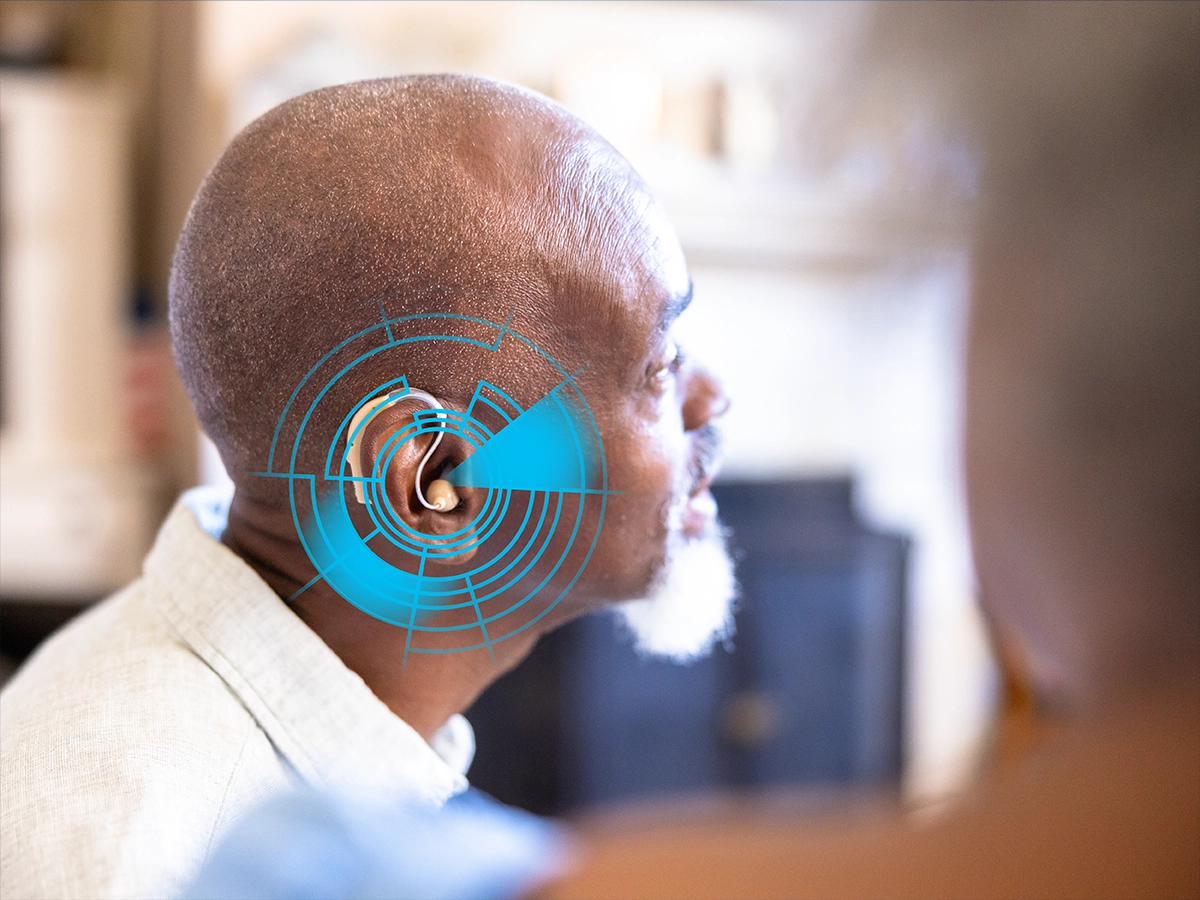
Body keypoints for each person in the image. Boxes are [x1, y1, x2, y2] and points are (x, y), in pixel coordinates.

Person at [0, 75, 734, 899]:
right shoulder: (142, 856)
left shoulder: (310, 759)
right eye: (660, 367)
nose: (711, 397)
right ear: (431, 484)